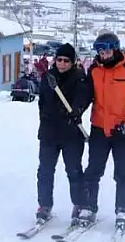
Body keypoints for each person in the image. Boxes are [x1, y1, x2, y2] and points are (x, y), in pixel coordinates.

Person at [73, 32, 125, 230]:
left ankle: (123, 209)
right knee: (93, 171)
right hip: (99, 128)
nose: (103, 55)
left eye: (106, 51)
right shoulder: (95, 70)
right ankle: (89, 207)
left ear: (115, 49)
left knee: (122, 172)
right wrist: (77, 110)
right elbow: (88, 95)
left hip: (121, 131)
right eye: (99, 51)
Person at [33, 43, 87, 224]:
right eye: (59, 60)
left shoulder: (79, 78)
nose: (62, 64)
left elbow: (84, 99)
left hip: (71, 134)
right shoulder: (48, 78)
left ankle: (79, 204)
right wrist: (46, 116)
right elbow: (42, 101)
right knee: (45, 171)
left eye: (66, 61)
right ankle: (44, 205)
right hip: (49, 133)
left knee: (73, 171)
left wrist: (76, 111)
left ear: (72, 62)